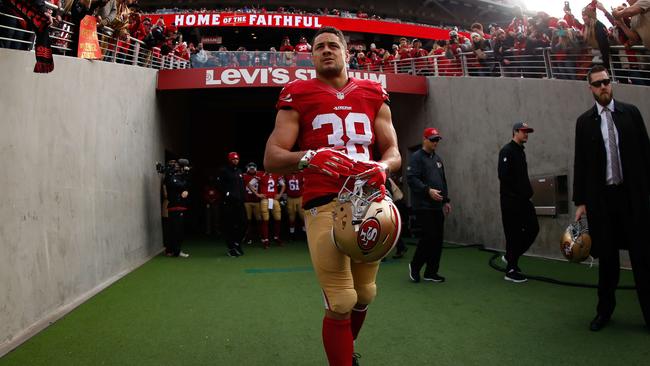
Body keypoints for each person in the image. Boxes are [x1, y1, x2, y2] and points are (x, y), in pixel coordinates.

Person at [263, 26, 400, 366]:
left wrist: (383, 167)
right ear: (311, 56)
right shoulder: (299, 92)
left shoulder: (372, 91)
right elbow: (272, 158)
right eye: (319, 46)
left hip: (370, 200)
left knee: (365, 293)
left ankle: (343, 351)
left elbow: (394, 152)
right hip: (324, 201)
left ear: (346, 53)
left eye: (333, 46)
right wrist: (309, 157)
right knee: (340, 299)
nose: (326, 50)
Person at [573, 65, 650, 332]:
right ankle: (603, 313)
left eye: (606, 81)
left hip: (632, 200)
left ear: (611, 82)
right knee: (608, 262)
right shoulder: (584, 122)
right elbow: (580, 163)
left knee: (642, 259)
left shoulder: (631, 113)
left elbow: (646, 153)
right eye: (597, 84)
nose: (603, 87)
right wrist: (580, 202)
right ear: (590, 89)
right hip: (602, 202)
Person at [407, 128, 451, 283]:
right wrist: (427, 190)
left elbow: (443, 181)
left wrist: (446, 200)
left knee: (438, 239)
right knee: (429, 237)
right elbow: (411, 179)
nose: (435, 142)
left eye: (437, 139)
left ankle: (431, 272)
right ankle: (414, 266)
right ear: (424, 139)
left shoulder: (438, 159)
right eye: (432, 139)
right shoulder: (416, 158)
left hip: (437, 206)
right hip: (423, 206)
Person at [498, 122, 539, 283]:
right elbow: (504, 176)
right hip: (511, 201)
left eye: (528, 131)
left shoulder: (521, 152)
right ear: (515, 132)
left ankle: (510, 257)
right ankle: (511, 270)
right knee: (513, 234)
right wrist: (517, 194)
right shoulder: (507, 151)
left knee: (533, 228)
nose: (526, 134)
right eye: (524, 131)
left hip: (523, 200)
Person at [216, 152, 246, 257]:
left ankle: (237, 244)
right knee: (229, 225)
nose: (235, 161)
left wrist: (242, 196)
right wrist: (227, 194)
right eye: (233, 159)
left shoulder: (239, 171)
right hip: (228, 203)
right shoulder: (224, 171)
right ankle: (231, 247)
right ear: (229, 160)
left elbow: (241, 186)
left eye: (237, 159)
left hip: (239, 202)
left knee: (242, 223)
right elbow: (219, 185)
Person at [248, 171, 285, 248]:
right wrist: (257, 194)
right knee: (265, 219)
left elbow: (283, 185)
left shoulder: (276, 174)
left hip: (274, 199)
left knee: (278, 218)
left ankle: (276, 237)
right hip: (265, 199)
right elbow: (249, 184)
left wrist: (280, 194)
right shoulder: (261, 174)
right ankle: (266, 239)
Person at [162, 160, 190, 258]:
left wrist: (186, 189)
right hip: (175, 206)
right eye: (174, 165)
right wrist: (184, 178)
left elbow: (185, 185)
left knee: (176, 229)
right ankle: (176, 251)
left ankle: (171, 250)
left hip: (179, 206)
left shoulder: (177, 176)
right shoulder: (170, 177)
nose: (176, 167)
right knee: (176, 230)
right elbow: (180, 184)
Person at [243, 162, 263, 244]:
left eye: (253, 168)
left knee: (259, 219)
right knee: (248, 220)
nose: (251, 170)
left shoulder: (260, 175)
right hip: (247, 201)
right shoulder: (244, 176)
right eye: (250, 168)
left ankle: (261, 236)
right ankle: (248, 236)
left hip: (256, 201)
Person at [284, 171, 305, 241]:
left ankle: (304, 234)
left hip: (300, 197)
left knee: (303, 216)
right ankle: (292, 234)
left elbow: (306, 184)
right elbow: (284, 186)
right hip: (290, 198)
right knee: (291, 218)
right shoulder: (286, 174)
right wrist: (284, 198)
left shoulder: (301, 174)